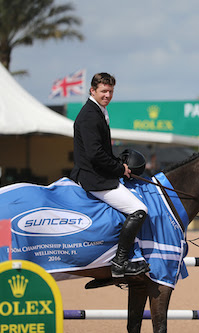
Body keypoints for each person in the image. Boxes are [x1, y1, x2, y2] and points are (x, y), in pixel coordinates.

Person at [70, 72, 150, 278]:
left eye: (110, 91)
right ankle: (119, 263)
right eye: (103, 91)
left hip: (98, 172)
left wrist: (118, 164)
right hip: (93, 177)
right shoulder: (89, 115)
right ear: (92, 91)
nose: (107, 95)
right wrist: (119, 169)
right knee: (139, 209)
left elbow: (102, 152)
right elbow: (95, 154)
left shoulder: (98, 111)